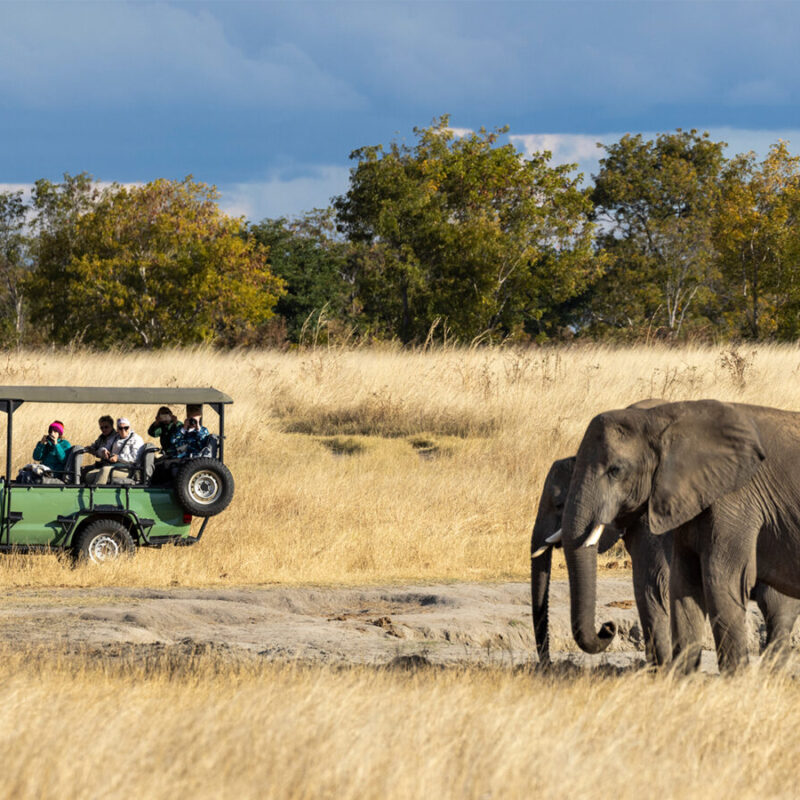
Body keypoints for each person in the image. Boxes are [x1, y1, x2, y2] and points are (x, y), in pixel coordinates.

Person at [85, 418, 145, 485]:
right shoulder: (115, 438)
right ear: (117, 429)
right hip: (113, 466)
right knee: (89, 475)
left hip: (128, 469)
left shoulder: (136, 439)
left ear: (129, 428)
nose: (123, 430)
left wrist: (118, 458)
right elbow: (103, 448)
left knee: (105, 470)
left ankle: (97, 489)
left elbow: (135, 458)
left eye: (126, 428)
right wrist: (103, 451)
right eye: (120, 428)